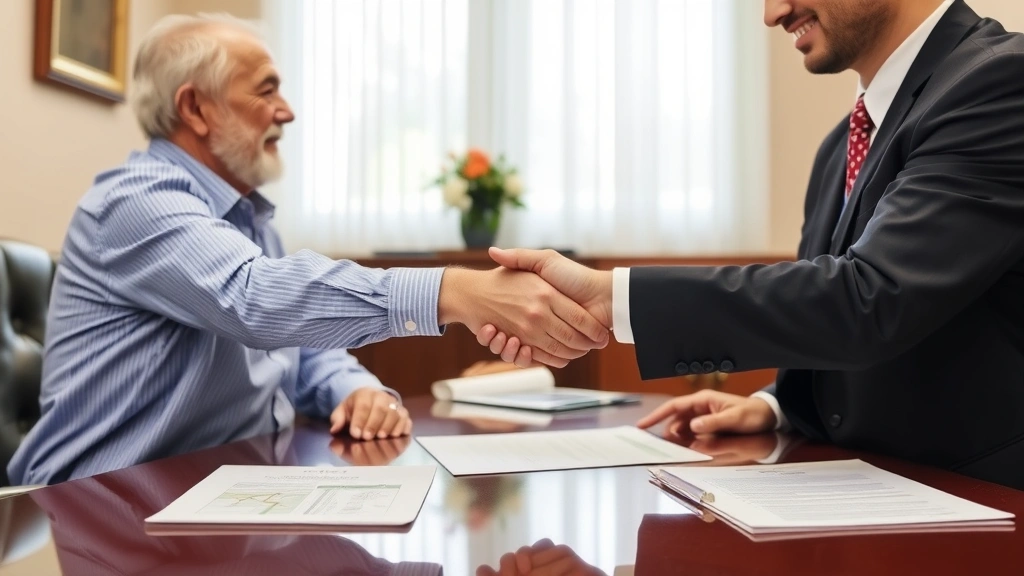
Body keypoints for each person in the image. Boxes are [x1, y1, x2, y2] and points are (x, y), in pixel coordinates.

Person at [7, 14, 609, 486]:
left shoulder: (247, 218)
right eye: (266, 91)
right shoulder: (135, 202)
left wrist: (356, 389)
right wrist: (454, 290)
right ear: (195, 108)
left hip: (217, 490)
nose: (287, 112)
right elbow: (254, 300)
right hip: (100, 506)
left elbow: (296, 350)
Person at [485, 0, 1024, 490]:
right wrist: (778, 406)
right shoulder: (843, 143)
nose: (773, 13)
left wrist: (615, 298)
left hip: (985, 510)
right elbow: (838, 322)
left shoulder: (1001, 81)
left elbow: (871, 297)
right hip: (869, 501)